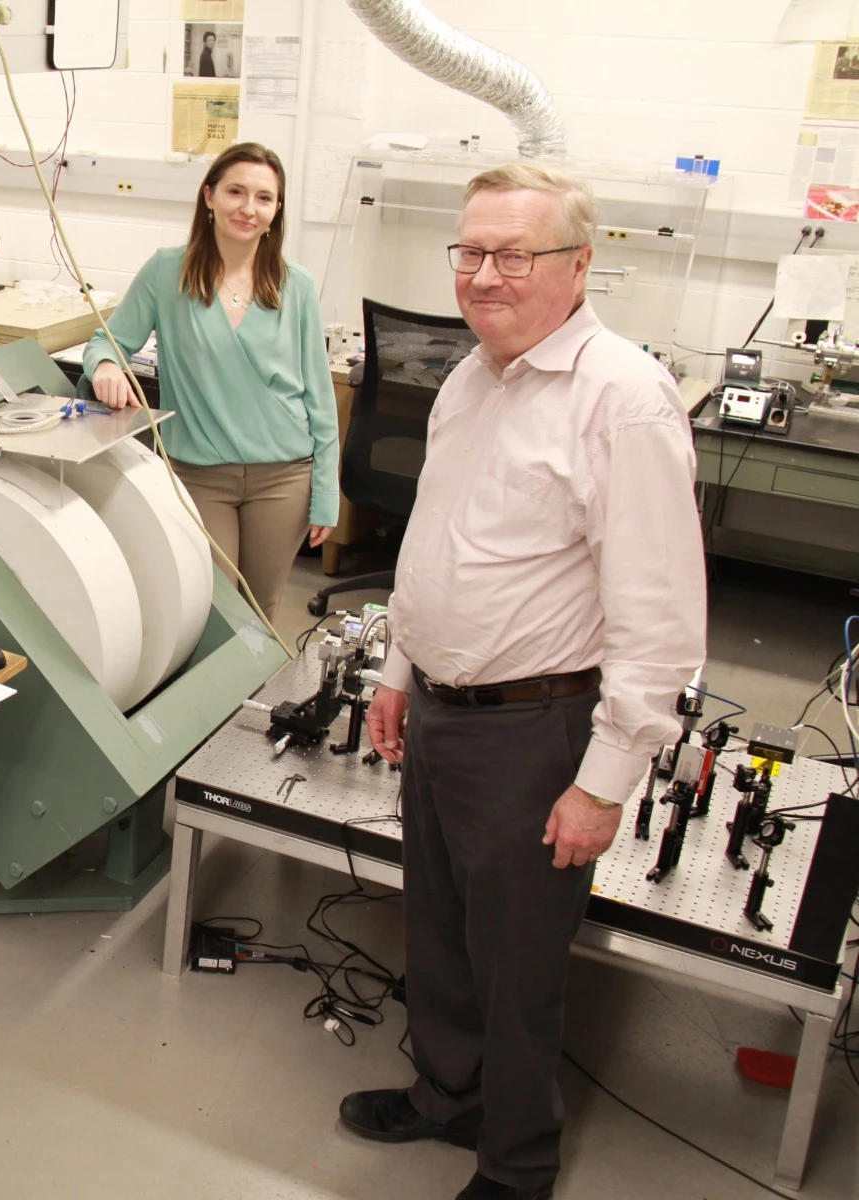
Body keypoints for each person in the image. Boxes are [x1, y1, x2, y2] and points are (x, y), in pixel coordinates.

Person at [339, 163, 706, 1200]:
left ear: (579, 266)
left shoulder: (623, 400)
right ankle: (446, 1096)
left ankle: (518, 1161)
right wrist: (404, 666)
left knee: (518, 961)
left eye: (514, 254)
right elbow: (438, 543)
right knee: (441, 931)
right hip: (447, 709)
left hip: (536, 726)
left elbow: (661, 615)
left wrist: (604, 778)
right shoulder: (473, 375)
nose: (484, 275)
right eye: (470, 252)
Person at [81, 142, 338, 622]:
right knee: (210, 607)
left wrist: (325, 494)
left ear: (276, 210)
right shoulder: (167, 271)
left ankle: (252, 699)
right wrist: (106, 367)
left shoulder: (295, 285)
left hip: (283, 476)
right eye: (236, 191)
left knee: (260, 611)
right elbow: (107, 341)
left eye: (264, 197)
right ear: (209, 197)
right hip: (200, 474)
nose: (248, 207)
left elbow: (320, 401)